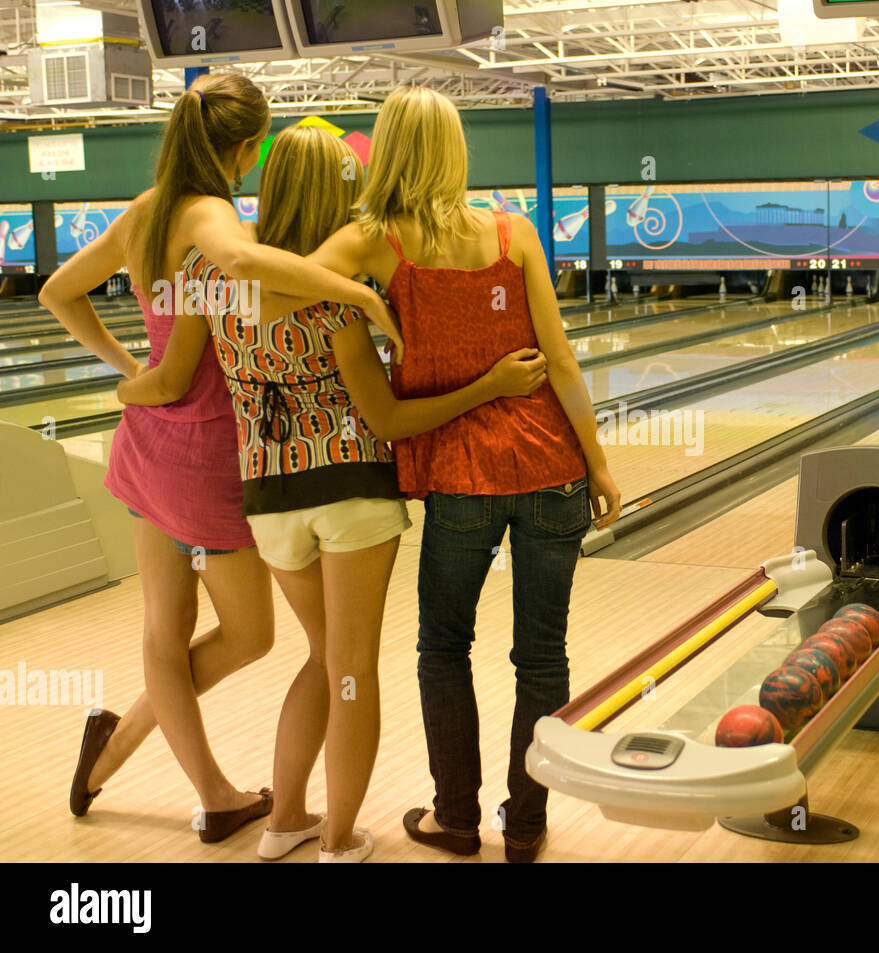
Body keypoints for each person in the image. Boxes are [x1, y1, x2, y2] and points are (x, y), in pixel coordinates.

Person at [119, 124, 548, 862]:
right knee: (350, 670)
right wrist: (488, 387)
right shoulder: (339, 297)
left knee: (321, 658)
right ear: (341, 194)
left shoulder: (209, 277)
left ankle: (285, 819)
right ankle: (340, 837)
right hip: (350, 492)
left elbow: (171, 377)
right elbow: (385, 417)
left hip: (268, 501)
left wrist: (123, 386)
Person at [38, 72, 401, 844]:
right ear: (242, 148)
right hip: (209, 457)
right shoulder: (207, 211)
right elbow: (244, 271)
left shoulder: (145, 208)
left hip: (146, 455)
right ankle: (155, 763)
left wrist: (124, 370)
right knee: (254, 636)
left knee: (163, 634)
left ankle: (190, 783)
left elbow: (58, 292)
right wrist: (363, 295)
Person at [308, 84, 621, 862]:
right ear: (455, 152)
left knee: (443, 647)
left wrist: (361, 297)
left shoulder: (373, 241)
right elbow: (562, 360)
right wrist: (599, 459)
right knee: (542, 655)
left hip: (462, 479)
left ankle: (456, 818)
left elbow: (278, 284)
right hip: (551, 468)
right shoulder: (514, 235)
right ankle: (526, 823)